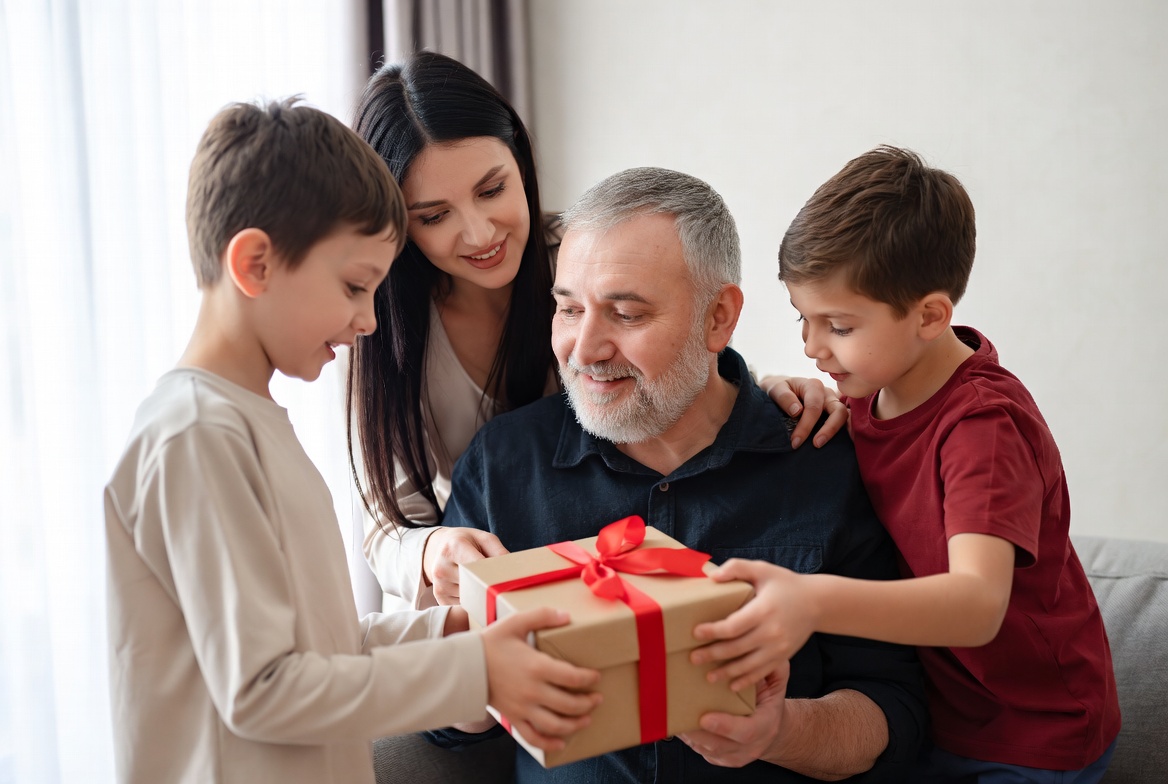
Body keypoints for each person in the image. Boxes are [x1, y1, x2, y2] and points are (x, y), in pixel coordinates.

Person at [103, 97, 602, 784]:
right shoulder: (197, 437)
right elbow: (264, 691)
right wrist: (474, 669)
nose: (369, 321)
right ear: (254, 264)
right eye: (354, 286)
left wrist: (451, 633)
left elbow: (322, 646)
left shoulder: (248, 423)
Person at [425, 166, 928, 783]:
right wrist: (473, 661)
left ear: (719, 317)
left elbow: (894, 710)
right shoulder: (504, 463)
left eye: (626, 314)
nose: (583, 350)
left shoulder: (822, 460)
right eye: (569, 310)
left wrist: (777, 733)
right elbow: (446, 726)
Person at [346, 51, 846, 612]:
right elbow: (385, 522)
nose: (480, 232)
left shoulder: (580, 254)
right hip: (478, 565)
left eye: (491, 190)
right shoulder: (379, 327)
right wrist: (430, 550)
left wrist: (761, 386)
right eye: (434, 216)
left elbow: (682, 344)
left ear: (520, 157)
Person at [693, 146, 1121, 782]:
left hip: (1034, 732)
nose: (811, 346)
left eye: (837, 325)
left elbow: (977, 605)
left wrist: (810, 601)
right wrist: (787, 386)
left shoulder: (984, 427)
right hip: (938, 715)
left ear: (930, 316)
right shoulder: (876, 389)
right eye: (802, 319)